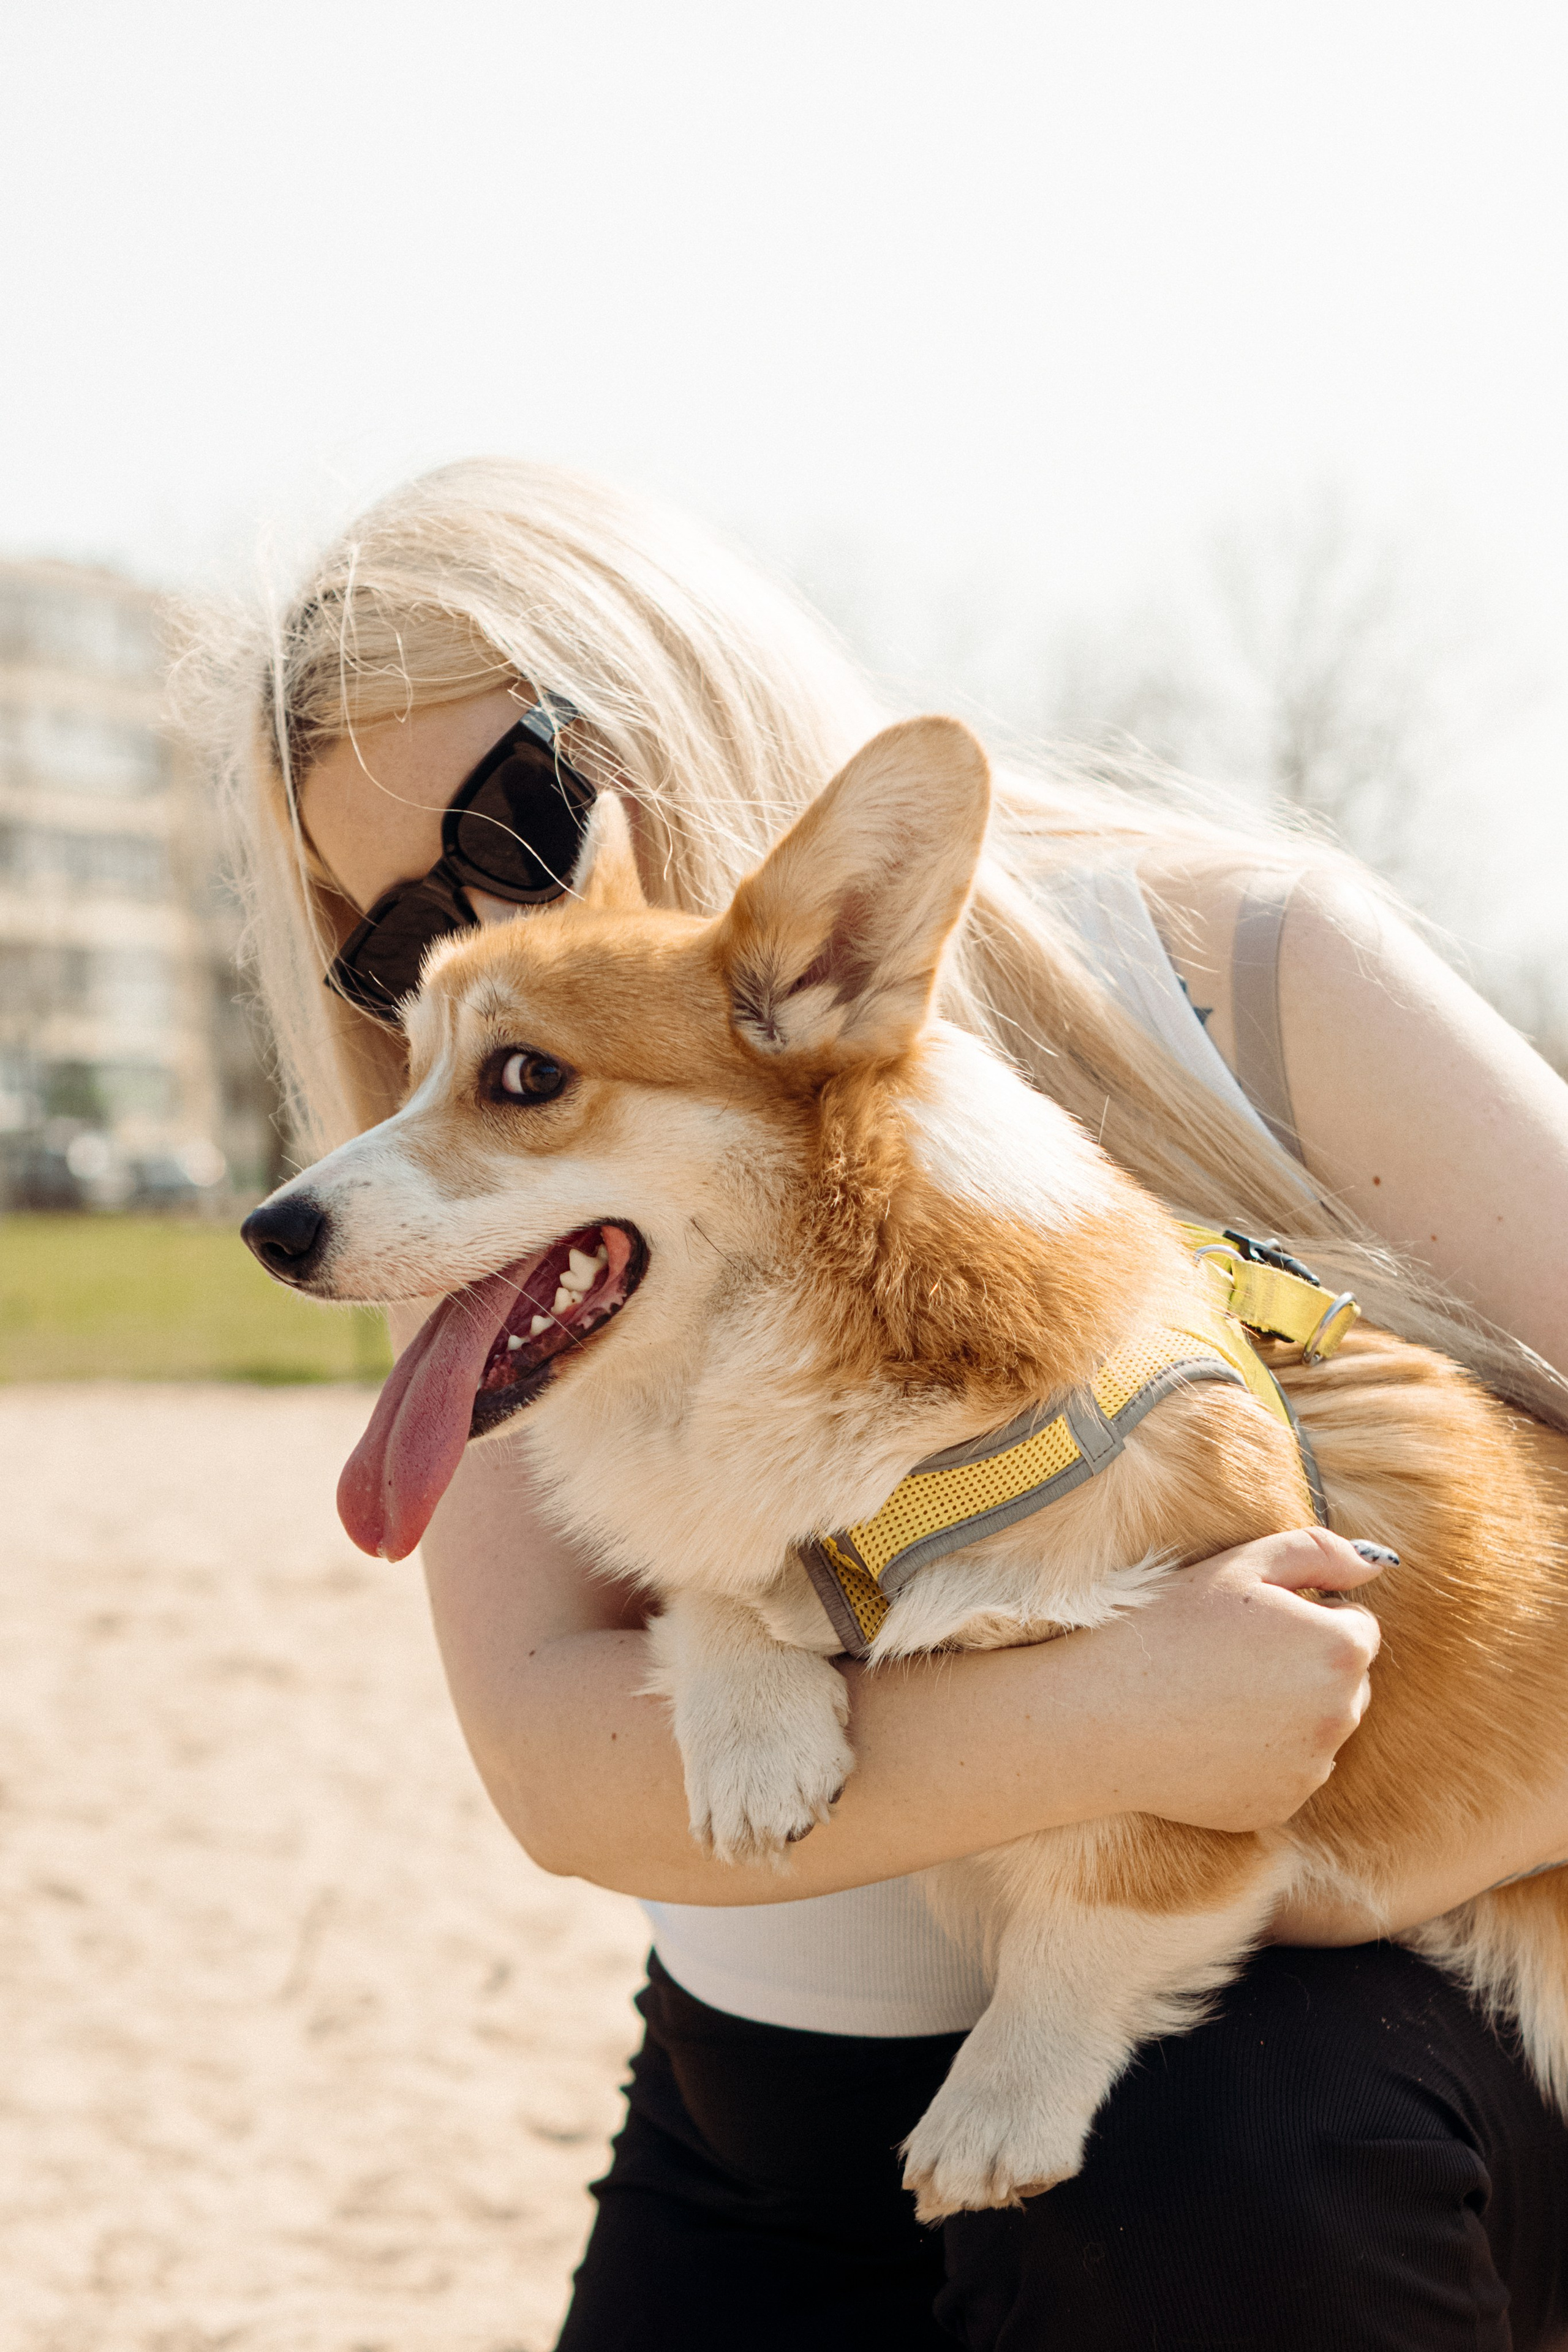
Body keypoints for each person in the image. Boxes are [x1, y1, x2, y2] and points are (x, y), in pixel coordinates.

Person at [202, 458, 1568, 2349]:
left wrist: (1369, 1843)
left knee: (1239, 2159)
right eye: (393, 927)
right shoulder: (517, 1200)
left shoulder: (1238, 964)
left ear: (688, 683)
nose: (501, 925)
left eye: (524, 819)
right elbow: (556, 1757)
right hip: (773, 2133)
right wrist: (1121, 1716)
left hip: (1312, 2108)